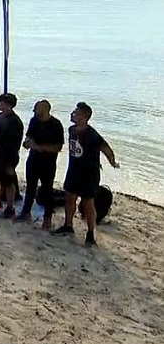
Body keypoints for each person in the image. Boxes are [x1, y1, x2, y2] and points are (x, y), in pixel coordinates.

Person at [53, 102, 119, 246]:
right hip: (73, 170)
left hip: (89, 173)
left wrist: (113, 162)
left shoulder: (91, 134)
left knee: (88, 203)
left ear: (84, 116)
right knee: (70, 198)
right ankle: (68, 225)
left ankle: (90, 234)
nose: (72, 114)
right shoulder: (71, 129)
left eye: (76, 112)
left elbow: (106, 148)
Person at [16, 100, 65, 229]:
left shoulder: (56, 124)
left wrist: (39, 147)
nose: (34, 111)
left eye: (36, 108)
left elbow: (58, 147)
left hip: (48, 162)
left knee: (47, 189)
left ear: (45, 110)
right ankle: (26, 212)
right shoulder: (34, 121)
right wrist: (27, 143)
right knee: (30, 187)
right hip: (33, 159)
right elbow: (29, 136)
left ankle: (47, 218)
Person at [0, 93, 25, 218]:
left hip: (9, 155)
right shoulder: (0, 117)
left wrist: (10, 160)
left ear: (8, 105)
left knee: (8, 182)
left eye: (1, 102)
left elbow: (15, 143)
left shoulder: (15, 121)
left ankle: (10, 207)